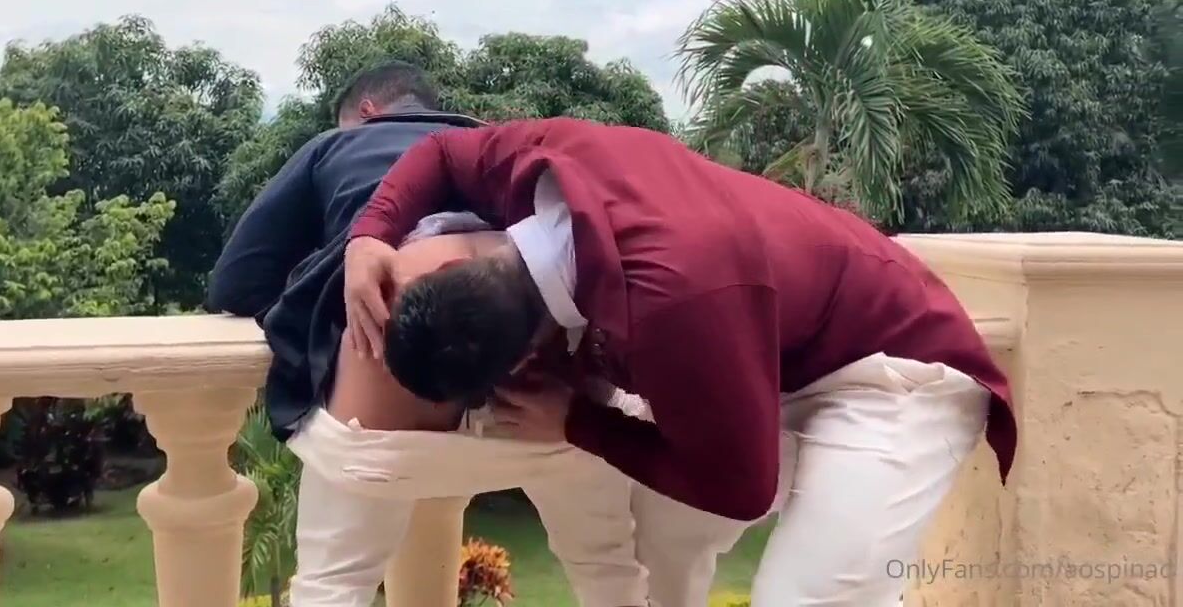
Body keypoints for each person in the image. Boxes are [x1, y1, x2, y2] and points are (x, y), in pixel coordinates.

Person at [343, 116, 1019, 606]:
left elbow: (741, 487)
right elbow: (441, 151)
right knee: (657, 540)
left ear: (523, 355)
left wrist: (577, 422)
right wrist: (371, 234)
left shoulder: (669, 309)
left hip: (898, 371)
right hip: (774, 353)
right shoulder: (551, 158)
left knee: (808, 597)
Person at [209, 64, 655, 606]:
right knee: (607, 571)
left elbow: (237, 282)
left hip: (400, 334)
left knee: (335, 583)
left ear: (368, 112)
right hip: (546, 331)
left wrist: (317, 292)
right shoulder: (502, 139)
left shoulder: (333, 146)